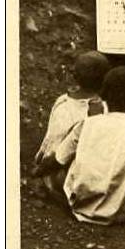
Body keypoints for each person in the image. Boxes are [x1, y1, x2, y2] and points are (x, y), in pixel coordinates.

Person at [48, 66, 125, 225]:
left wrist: (38, 172)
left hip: (79, 206)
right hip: (121, 213)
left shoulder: (88, 122)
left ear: (104, 95)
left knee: (61, 171)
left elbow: (59, 158)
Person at [33, 50, 110, 193]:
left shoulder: (64, 105)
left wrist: (40, 163)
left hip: (64, 172)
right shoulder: (107, 108)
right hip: (97, 178)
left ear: (75, 76)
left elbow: (52, 144)